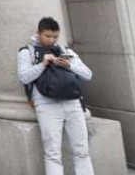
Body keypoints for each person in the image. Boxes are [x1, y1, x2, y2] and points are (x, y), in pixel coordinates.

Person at [17, 16, 94, 175]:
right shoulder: (27, 52)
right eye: (47, 36)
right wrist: (42, 64)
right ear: (38, 33)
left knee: (82, 150)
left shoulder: (66, 51)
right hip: (46, 104)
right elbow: (24, 78)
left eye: (55, 37)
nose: (51, 40)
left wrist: (69, 65)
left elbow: (88, 75)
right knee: (52, 153)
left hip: (73, 103)